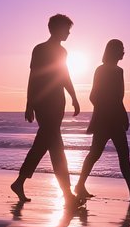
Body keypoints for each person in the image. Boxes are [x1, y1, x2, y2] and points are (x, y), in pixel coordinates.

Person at [11, 14, 80, 203]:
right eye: (66, 29)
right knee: (55, 147)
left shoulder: (63, 52)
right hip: (43, 103)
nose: (68, 32)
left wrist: (73, 96)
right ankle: (67, 194)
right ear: (56, 29)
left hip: (58, 102)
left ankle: (20, 182)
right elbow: (34, 76)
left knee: (47, 145)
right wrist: (29, 104)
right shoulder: (40, 49)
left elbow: (64, 75)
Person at [75, 39, 130, 202]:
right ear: (113, 51)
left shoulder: (119, 70)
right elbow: (93, 95)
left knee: (123, 155)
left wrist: (123, 114)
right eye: (121, 49)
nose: (123, 52)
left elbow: (119, 98)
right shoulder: (101, 70)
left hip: (115, 119)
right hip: (105, 120)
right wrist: (106, 111)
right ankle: (80, 185)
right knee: (95, 154)